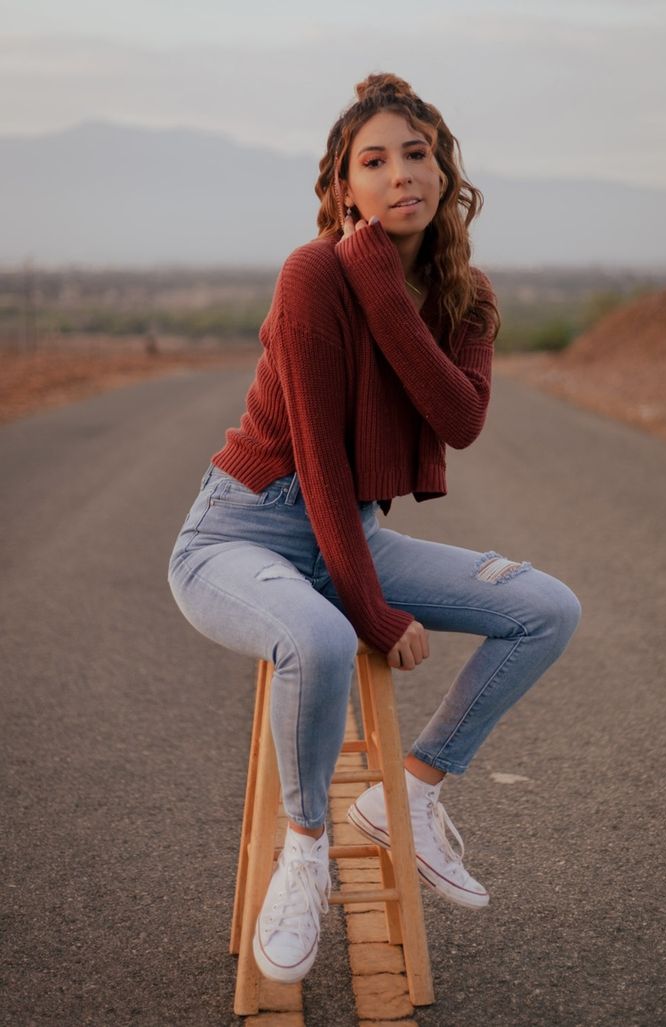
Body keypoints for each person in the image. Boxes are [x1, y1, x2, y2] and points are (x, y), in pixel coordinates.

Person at [167, 72, 581, 984]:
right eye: (375, 161)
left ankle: (411, 800)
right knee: (317, 635)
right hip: (241, 533)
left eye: (418, 154)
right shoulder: (314, 273)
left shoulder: (465, 297)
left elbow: (458, 416)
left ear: (445, 169)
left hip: (345, 528)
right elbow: (316, 459)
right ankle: (305, 852)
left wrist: (389, 288)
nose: (402, 174)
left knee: (546, 608)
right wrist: (375, 612)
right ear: (344, 187)